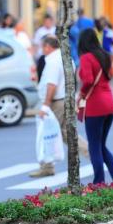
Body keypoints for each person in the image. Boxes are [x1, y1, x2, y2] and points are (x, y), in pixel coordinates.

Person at [29, 35, 88, 178]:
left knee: (48, 132)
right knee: (67, 133)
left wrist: (45, 105)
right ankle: (92, 154)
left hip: (56, 102)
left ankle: (47, 166)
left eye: (43, 47)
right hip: (66, 99)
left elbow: (52, 85)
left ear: (48, 47)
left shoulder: (53, 61)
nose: (42, 50)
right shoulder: (66, 58)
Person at [78, 29, 113, 184]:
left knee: (94, 146)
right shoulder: (104, 55)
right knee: (101, 145)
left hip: (95, 106)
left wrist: (82, 93)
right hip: (109, 103)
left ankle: (99, 183)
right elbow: (110, 75)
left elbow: (88, 80)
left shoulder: (85, 58)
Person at [33, 14, 56, 80]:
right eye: (46, 22)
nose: (47, 23)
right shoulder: (40, 31)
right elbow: (36, 44)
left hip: (53, 56)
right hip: (42, 56)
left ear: (51, 22)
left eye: (49, 22)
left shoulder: (55, 30)